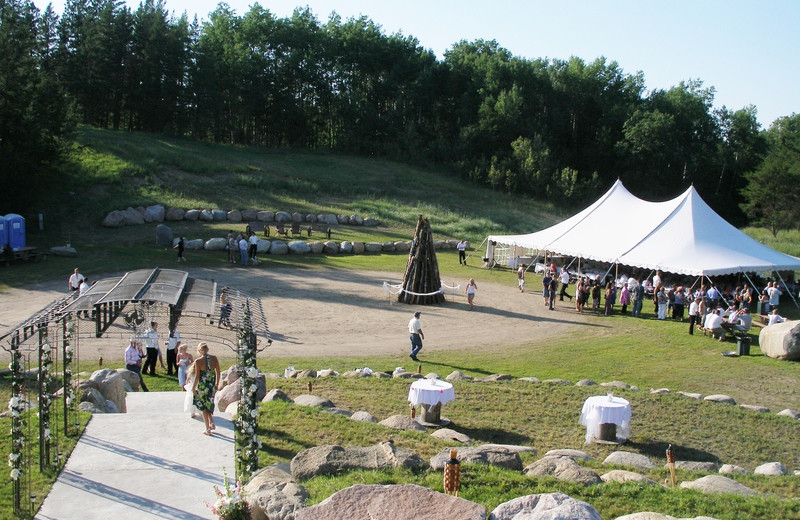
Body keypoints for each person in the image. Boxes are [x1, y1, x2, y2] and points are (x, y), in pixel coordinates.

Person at [191, 342, 221, 435]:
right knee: (209, 403)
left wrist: (193, 388)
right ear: (207, 349)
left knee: (203, 407)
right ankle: (211, 423)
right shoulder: (214, 358)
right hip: (212, 385)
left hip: (203, 387)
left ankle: (207, 429)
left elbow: (197, 376)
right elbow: (218, 372)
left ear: (199, 350)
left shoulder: (198, 361)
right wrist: (217, 383)